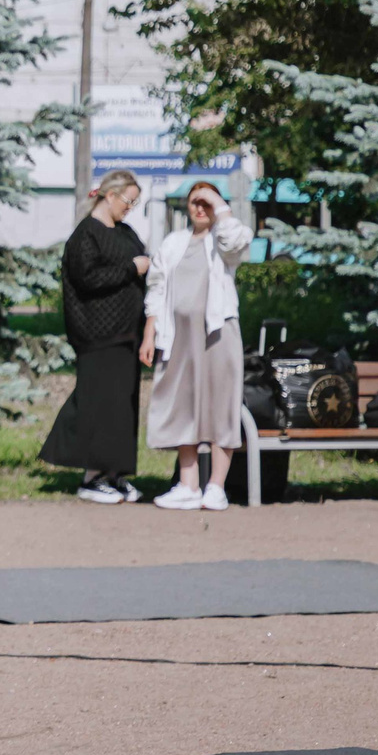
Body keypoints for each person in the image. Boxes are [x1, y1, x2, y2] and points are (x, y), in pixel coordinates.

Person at [41, 170, 151, 504]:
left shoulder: (126, 233)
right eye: (128, 200)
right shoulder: (85, 235)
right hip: (97, 334)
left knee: (122, 408)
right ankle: (91, 477)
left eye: (135, 202)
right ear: (110, 196)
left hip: (127, 332)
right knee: (98, 404)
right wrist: (132, 268)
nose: (130, 208)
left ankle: (114, 474)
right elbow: (88, 278)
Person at [143, 181, 253, 512]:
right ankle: (188, 485)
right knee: (182, 406)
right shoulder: (174, 242)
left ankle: (216, 487)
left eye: (206, 201)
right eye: (195, 201)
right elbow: (156, 286)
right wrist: (150, 332)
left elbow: (235, 241)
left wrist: (219, 205)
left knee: (221, 406)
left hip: (218, 335)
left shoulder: (223, 240)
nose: (200, 208)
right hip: (179, 338)